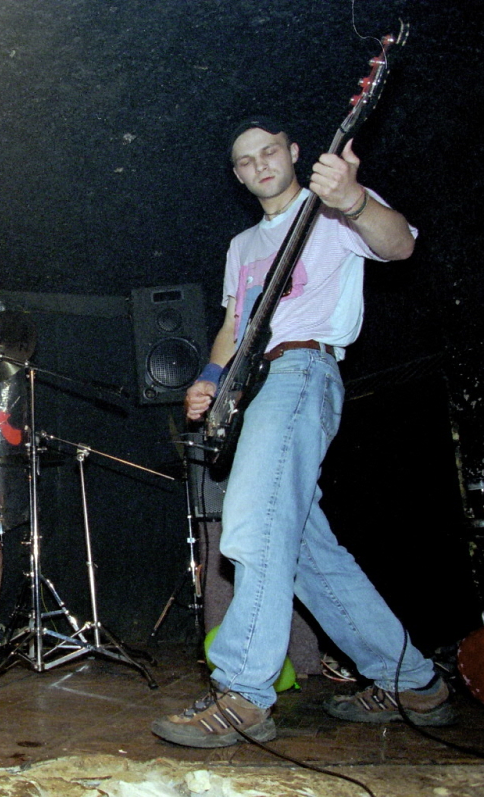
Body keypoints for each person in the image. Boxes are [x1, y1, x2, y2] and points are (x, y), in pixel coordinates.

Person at [152, 118, 452, 748]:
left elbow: (400, 245)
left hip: (302, 368)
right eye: (245, 161)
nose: (259, 164)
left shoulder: (332, 209)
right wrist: (209, 379)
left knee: (252, 522)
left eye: (269, 151)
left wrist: (355, 199)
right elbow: (235, 324)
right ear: (238, 176)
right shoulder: (242, 244)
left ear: (293, 154)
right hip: (254, 386)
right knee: (311, 557)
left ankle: (243, 692)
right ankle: (412, 681)